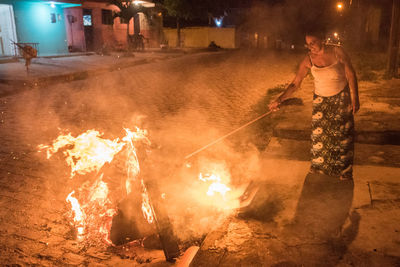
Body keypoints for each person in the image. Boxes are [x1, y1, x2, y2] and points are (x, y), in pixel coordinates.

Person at [269, 30, 360, 180]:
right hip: (321, 101)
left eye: (313, 42)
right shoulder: (308, 60)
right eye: (308, 44)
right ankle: (320, 168)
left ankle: (345, 170)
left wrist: (355, 97)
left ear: (322, 40)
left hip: (341, 99)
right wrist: (280, 99)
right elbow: (295, 84)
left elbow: (350, 73)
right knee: (320, 136)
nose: (310, 47)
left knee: (343, 136)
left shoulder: (338, 52)